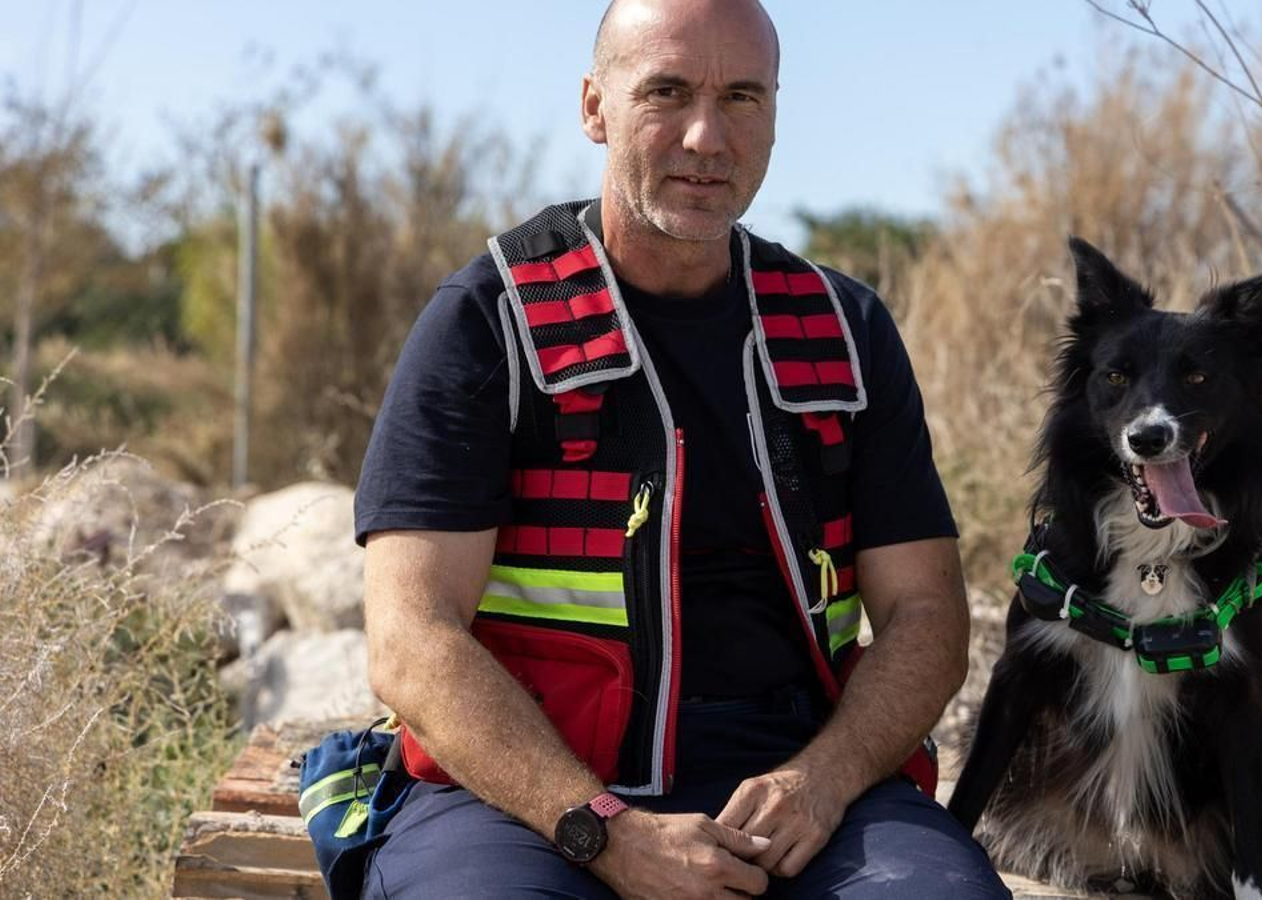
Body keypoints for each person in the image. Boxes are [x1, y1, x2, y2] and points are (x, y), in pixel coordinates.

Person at [353, 0, 1009, 896]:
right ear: (595, 107)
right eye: (667, 92)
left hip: (794, 775)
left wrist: (822, 782)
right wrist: (601, 831)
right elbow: (411, 637)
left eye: (742, 96)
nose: (708, 135)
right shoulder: (486, 322)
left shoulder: (843, 326)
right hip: (534, 786)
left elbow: (926, 617)